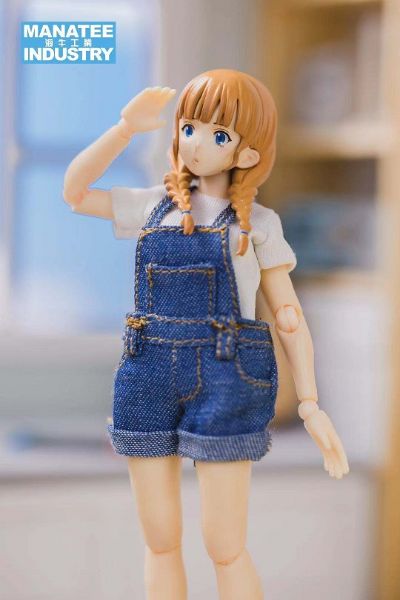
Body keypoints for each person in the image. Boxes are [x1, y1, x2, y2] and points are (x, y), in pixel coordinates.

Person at [63, 69, 349, 600]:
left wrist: (310, 403)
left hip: (226, 374)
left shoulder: (257, 224)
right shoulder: (152, 205)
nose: (195, 143)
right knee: (159, 540)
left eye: (218, 135)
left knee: (225, 545)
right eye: (189, 127)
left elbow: (288, 316)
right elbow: (75, 192)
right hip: (148, 373)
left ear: (246, 153)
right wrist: (125, 128)